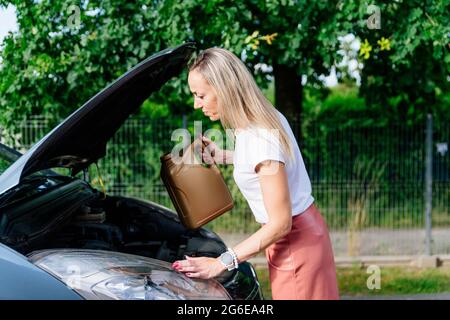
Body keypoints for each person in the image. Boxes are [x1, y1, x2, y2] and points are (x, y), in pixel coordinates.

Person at [172, 47, 339, 300]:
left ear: (224, 88)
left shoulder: (260, 138)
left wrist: (221, 262)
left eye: (201, 95)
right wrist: (226, 156)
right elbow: (266, 163)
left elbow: (281, 223)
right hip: (300, 240)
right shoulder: (260, 121)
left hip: (296, 245)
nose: (197, 105)